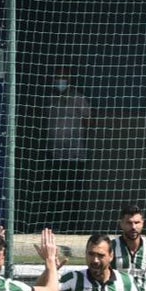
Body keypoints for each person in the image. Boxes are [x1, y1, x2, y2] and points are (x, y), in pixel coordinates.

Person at [43, 68, 93, 232]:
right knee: (54, 189)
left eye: (64, 77)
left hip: (74, 154)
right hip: (55, 153)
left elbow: (89, 120)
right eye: (58, 77)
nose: (60, 81)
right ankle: (53, 224)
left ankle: (71, 226)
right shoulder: (49, 98)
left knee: (72, 191)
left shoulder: (77, 98)